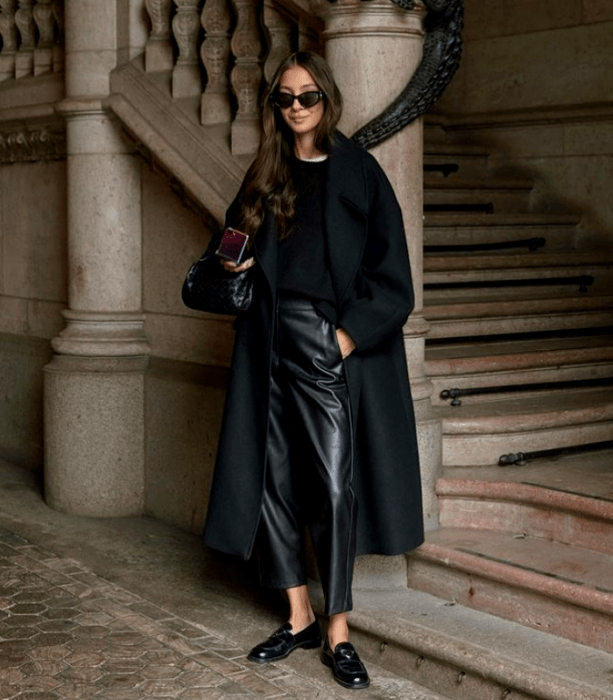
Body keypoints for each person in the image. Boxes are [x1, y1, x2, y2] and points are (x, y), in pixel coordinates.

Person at [201, 51, 424, 690]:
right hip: (267, 337)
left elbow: (394, 274)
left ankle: (339, 630)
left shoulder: (360, 172)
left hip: (324, 343)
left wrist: (345, 338)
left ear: (328, 99)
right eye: (285, 98)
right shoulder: (266, 170)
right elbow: (231, 240)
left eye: (308, 97)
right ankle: (297, 615)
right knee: (271, 481)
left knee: (332, 485)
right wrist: (233, 260)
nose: (296, 109)